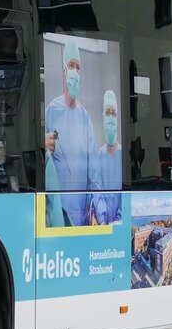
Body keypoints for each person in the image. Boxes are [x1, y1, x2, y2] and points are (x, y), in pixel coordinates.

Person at [45, 38, 96, 226]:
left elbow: (94, 172)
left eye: (78, 66)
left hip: (82, 212)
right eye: (70, 66)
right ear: (64, 72)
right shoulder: (52, 110)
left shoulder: (85, 118)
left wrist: (95, 209)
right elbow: (40, 158)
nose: (74, 71)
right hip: (57, 211)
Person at [89, 90, 122, 224]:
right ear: (103, 117)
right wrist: (101, 220)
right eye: (107, 113)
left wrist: (118, 222)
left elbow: (126, 195)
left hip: (120, 224)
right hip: (101, 225)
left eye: (113, 113)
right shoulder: (98, 156)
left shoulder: (123, 155)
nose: (110, 117)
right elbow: (96, 191)